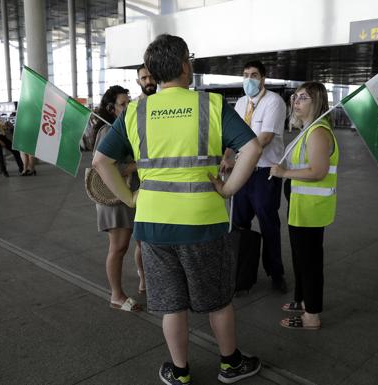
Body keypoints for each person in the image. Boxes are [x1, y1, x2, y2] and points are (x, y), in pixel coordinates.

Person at [93, 34, 263, 385]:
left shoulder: (136, 111)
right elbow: (252, 148)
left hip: (153, 224)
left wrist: (129, 198)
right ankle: (230, 365)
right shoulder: (211, 105)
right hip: (204, 222)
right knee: (217, 301)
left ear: (153, 73)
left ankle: (180, 371)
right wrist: (229, 188)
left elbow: (100, 162)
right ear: (186, 65)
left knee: (171, 304)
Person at [270, 82, 338, 330]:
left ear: (317, 101)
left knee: (309, 262)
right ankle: (301, 300)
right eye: (295, 97)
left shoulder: (318, 132)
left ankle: (312, 315)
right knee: (300, 258)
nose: (295, 102)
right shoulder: (308, 130)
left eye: (303, 98)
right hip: (301, 207)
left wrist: (284, 172)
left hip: (312, 209)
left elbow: (318, 171)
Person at [221, 60, 288, 293]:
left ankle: (275, 272)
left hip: (264, 172)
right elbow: (232, 136)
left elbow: (266, 137)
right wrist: (226, 156)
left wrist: (238, 158)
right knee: (239, 223)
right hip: (243, 172)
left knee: (268, 222)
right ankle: (241, 273)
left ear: (263, 79)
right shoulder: (240, 103)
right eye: (246, 74)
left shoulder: (274, 102)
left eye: (254, 75)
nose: (249, 79)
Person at [91, 85, 145, 311]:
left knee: (138, 241)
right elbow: (108, 166)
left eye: (129, 102)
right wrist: (139, 164)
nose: (128, 106)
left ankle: (143, 280)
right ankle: (117, 295)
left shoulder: (124, 127)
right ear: (112, 108)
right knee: (119, 246)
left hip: (129, 193)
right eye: (123, 104)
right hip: (115, 196)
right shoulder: (108, 131)